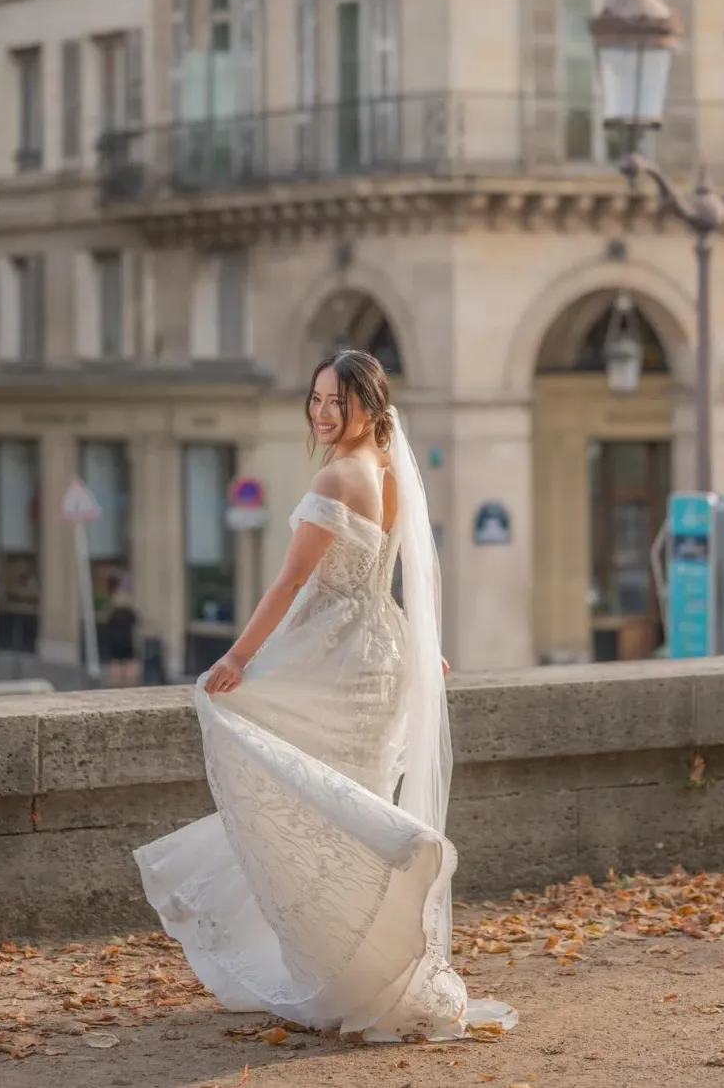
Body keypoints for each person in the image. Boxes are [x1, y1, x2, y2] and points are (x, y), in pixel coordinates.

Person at [134, 350, 517, 1042]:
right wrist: (420, 647)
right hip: (382, 653)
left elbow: (287, 585)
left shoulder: (337, 475)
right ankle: (372, 969)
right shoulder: (394, 470)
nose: (322, 411)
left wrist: (237, 656)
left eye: (336, 400)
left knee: (309, 801)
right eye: (315, 398)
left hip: (338, 659)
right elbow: (407, 571)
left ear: (369, 403)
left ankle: (349, 968)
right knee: (348, 806)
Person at [105, 579, 138, 688]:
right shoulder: (130, 612)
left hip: (115, 641)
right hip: (127, 640)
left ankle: (116, 684)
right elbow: (137, 623)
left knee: (116, 663)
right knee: (129, 663)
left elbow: (107, 624)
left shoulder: (114, 612)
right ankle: (129, 684)